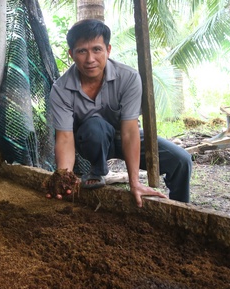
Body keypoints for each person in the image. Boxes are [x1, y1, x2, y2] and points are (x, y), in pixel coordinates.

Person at [49, 19, 192, 207]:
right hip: (92, 142)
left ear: (108, 50)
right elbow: (65, 138)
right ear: (71, 54)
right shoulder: (61, 89)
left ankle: (181, 210)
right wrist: (63, 179)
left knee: (182, 160)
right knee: (95, 126)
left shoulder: (129, 78)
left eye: (97, 50)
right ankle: (97, 170)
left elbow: (130, 131)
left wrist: (135, 182)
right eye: (82, 51)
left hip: (125, 135)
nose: (90, 59)